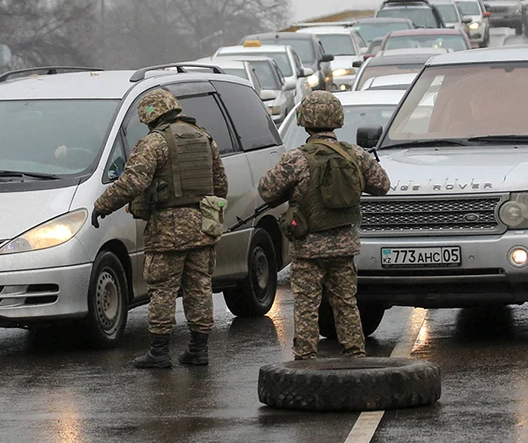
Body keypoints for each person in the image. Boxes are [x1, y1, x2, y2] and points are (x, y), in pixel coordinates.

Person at [92, 89, 228, 367]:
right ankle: (199, 350)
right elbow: (221, 185)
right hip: (203, 226)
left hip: (168, 230)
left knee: (162, 289)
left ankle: (159, 352)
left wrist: (102, 206)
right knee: (199, 287)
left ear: (150, 116)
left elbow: (132, 182)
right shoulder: (204, 137)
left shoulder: (155, 142)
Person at [258, 91, 390, 360]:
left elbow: (267, 190)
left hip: (308, 247)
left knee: (307, 305)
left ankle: (305, 359)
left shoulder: (296, 159)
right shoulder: (355, 155)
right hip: (344, 245)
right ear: (337, 120)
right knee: (346, 303)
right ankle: (354, 353)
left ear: (305, 122)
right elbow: (382, 185)